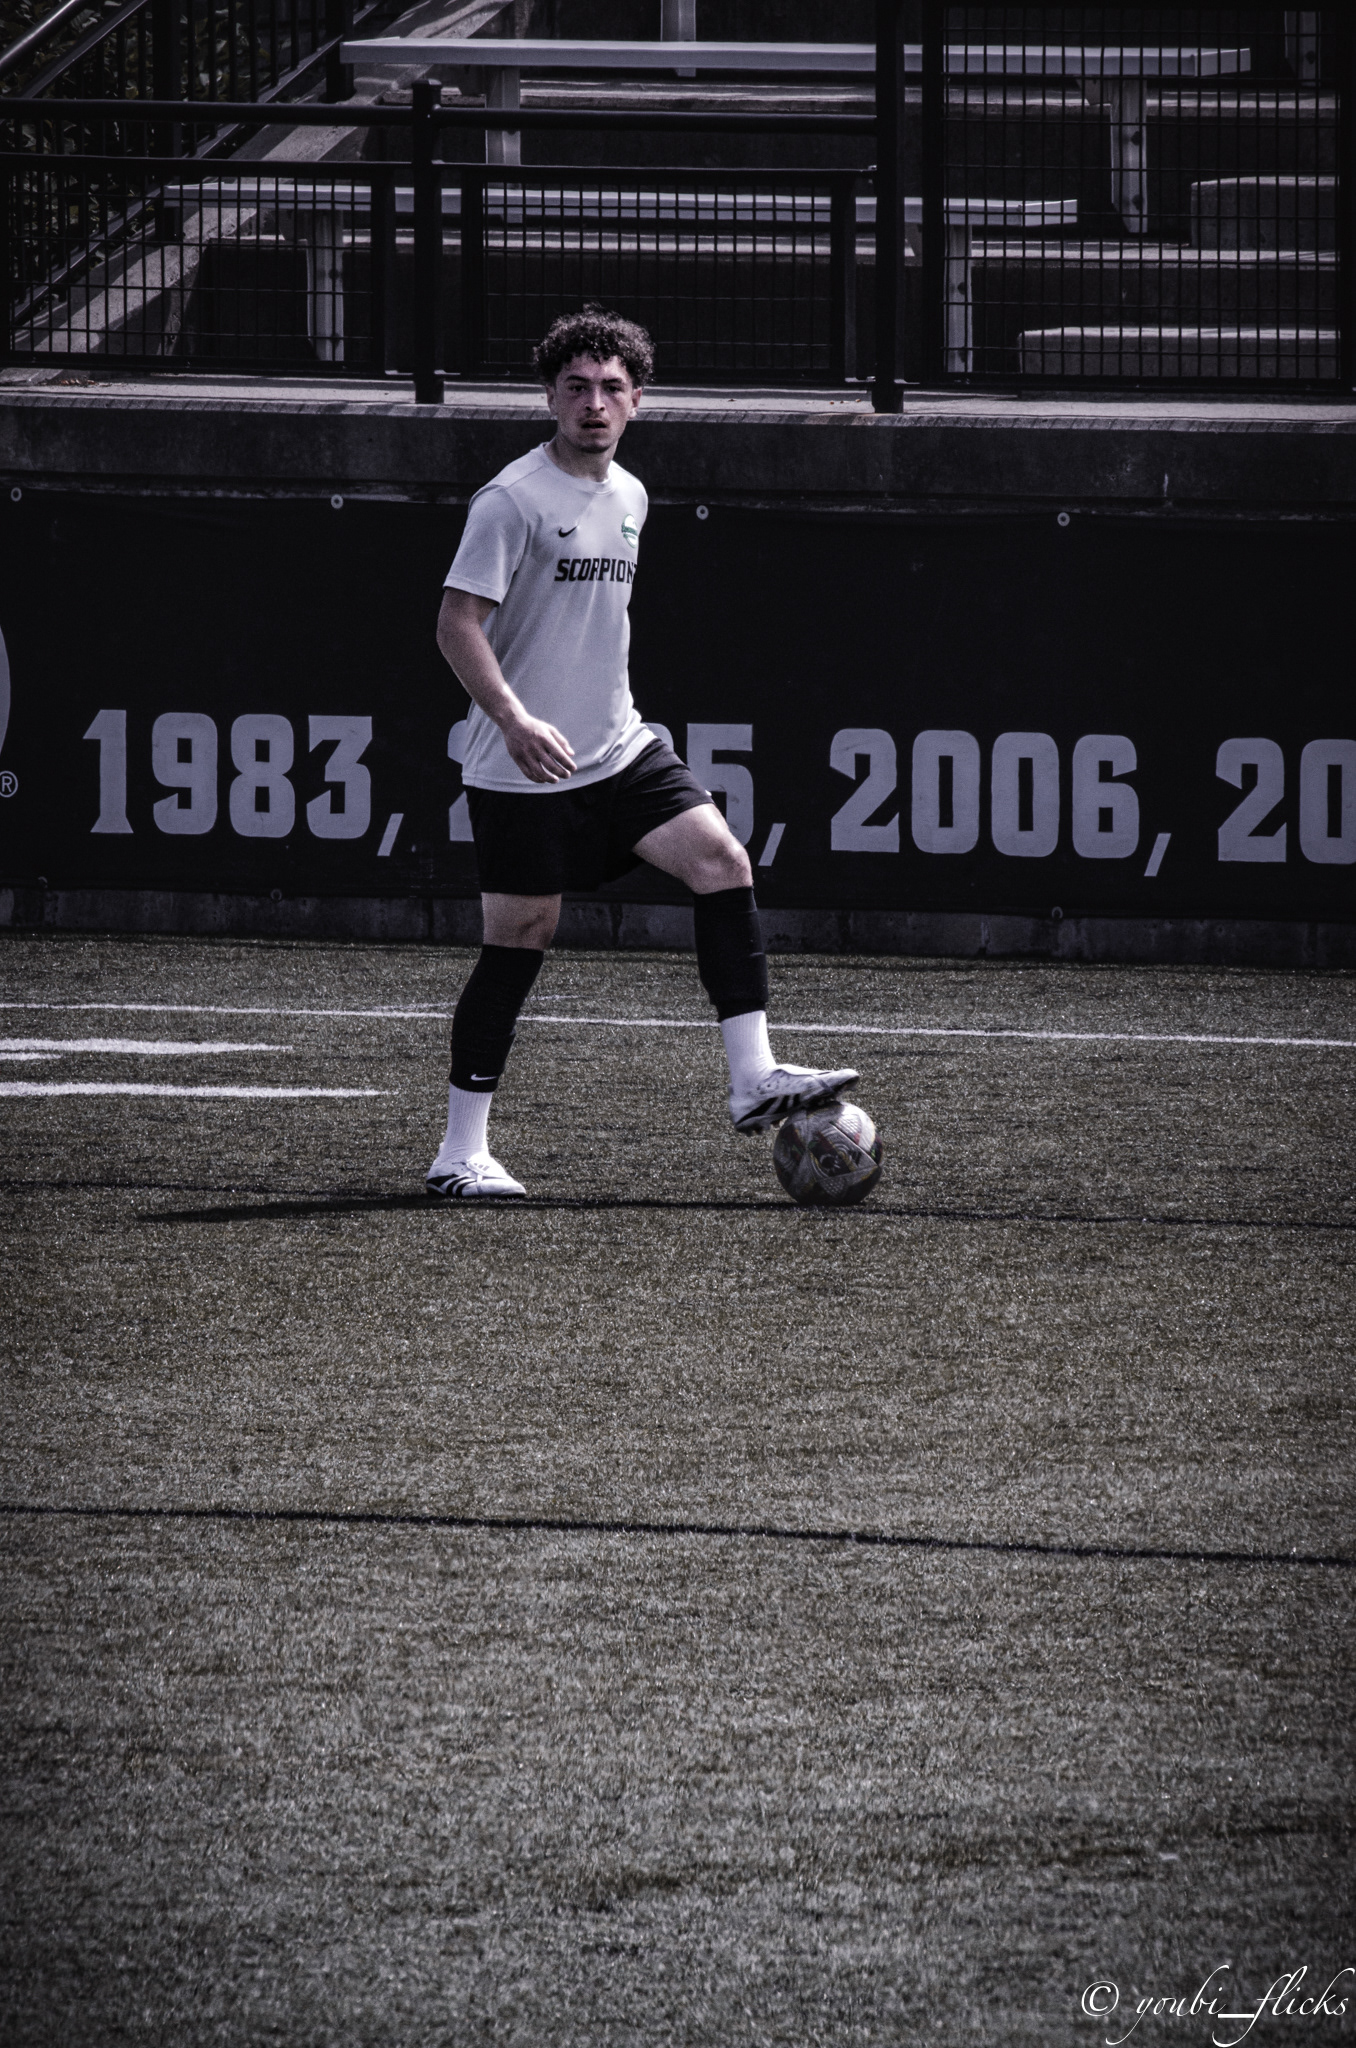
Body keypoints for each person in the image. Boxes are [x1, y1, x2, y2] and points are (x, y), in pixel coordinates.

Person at [427, 307, 857, 1198]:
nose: (594, 403)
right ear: (549, 397)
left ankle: (753, 1077)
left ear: (637, 401)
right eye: (577, 387)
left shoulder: (631, 495)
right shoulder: (511, 500)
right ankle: (459, 1153)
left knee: (722, 860)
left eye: (611, 388)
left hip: (620, 748)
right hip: (522, 767)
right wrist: (512, 719)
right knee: (520, 939)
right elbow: (456, 624)